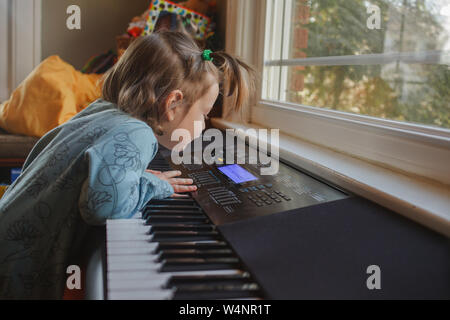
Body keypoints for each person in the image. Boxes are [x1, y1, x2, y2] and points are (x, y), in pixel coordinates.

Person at [0, 30, 256, 299]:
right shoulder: (138, 133)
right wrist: (153, 184)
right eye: (203, 114)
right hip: (14, 273)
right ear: (173, 103)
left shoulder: (101, 109)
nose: (204, 125)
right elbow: (103, 206)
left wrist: (128, 174)